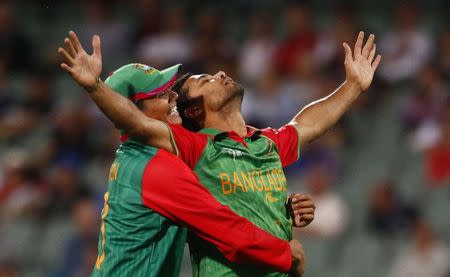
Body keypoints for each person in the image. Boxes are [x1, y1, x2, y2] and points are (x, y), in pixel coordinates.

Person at [59, 30, 380, 276]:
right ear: (195, 112)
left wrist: (279, 208)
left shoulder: (262, 143)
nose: (170, 95)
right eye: (206, 81)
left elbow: (307, 126)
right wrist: (95, 87)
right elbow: (223, 224)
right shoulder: (181, 152)